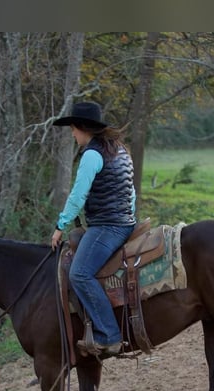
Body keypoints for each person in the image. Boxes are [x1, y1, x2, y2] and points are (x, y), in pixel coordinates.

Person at [50, 101, 137, 357]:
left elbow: (78, 196)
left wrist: (60, 226)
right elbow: (130, 191)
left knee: (79, 273)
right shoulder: (119, 149)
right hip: (125, 222)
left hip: (108, 226)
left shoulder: (91, 154)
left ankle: (109, 335)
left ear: (81, 128)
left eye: (73, 130)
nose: (72, 134)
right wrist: (128, 215)